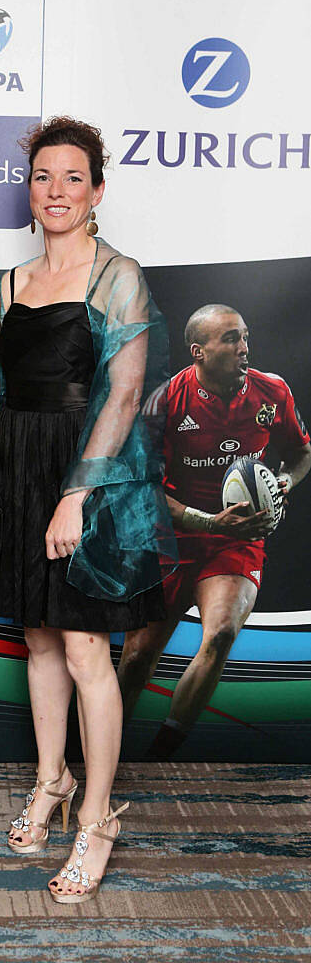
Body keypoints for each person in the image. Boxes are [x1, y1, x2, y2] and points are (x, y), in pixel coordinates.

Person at [0, 116, 174, 903]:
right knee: (36, 638)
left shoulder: (116, 273)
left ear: (97, 190)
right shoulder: (6, 282)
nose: (56, 191)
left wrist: (74, 495)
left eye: (72, 178)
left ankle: (97, 817)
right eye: (42, 177)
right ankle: (51, 779)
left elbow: (125, 393)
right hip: (17, 469)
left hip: (86, 478)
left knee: (84, 649)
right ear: (27, 191)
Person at [117, 304, 310, 758]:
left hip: (236, 540)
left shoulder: (272, 392)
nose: (244, 348)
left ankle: (162, 753)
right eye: (230, 339)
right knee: (138, 658)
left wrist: (283, 483)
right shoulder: (164, 403)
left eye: (244, 336)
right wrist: (205, 520)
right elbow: (142, 491)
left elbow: (302, 454)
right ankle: (94, 752)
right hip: (170, 537)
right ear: (197, 351)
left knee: (221, 632)